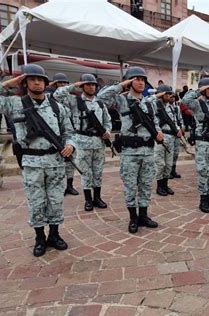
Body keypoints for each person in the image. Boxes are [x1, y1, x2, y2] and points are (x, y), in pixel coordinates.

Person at [0, 64, 75, 257]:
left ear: (46, 83)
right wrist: (7, 84)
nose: (37, 82)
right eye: (32, 79)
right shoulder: (15, 104)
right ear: (25, 82)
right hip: (32, 162)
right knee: (36, 202)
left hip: (55, 161)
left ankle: (54, 235)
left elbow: (69, 132)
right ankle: (40, 238)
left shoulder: (58, 107)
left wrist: (70, 145)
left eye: (40, 79)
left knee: (55, 201)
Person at [98, 66, 162, 233]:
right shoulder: (121, 100)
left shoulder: (149, 102)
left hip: (148, 152)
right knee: (130, 186)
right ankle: (133, 218)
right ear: (129, 82)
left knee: (146, 185)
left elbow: (154, 122)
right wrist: (122, 85)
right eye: (136, 79)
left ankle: (143, 216)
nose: (140, 82)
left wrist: (159, 131)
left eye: (142, 79)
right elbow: (101, 97)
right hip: (130, 153)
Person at [54, 73, 112, 211]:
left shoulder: (100, 104)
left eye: (93, 85)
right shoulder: (74, 101)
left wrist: (108, 132)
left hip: (98, 143)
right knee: (86, 173)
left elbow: (107, 121)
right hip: (82, 142)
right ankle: (88, 200)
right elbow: (57, 95)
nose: (91, 87)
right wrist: (73, 86)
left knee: (98, 172)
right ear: (82, 86)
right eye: (88, 84)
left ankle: (97, 197)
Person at [182, 78, 209, 212]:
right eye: (208, 88)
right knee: (203, 171)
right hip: (203, 143)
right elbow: (185, 101)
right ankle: (203, 200)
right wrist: (199, 91)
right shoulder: (197, 103)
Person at [145, 84, 180, 196]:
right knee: (160, 163)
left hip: (171, 137)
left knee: (169, 164)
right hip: (160, 137)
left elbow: (174, 121)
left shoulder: (170, 107)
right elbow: (146, 102)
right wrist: (156, 95)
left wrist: (178, 130)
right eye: (167, 94)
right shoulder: (154, 105)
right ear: (161, 94)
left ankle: (165, 185)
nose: (169, 96)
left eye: (170, 94)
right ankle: (159, 186)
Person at [49, 72, 79, 196]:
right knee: (58, 162)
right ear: (55, 84)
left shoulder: (71, 98)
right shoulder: (51, 96)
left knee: (70, 162)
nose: (62, 85)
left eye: (65, 83)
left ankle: (70, 186)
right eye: (60, 83)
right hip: (56, 134)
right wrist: (72, 85)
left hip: (70, 133)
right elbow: (59, 93)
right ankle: (58, 186)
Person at [169, 94, 184, 179]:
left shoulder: (176, 108)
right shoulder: (165, 107)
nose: (172, 98)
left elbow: (180, 118)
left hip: (177, 133)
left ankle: (173, 170)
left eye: (173, 97)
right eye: (170, 97)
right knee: (170, 153)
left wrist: (182, 127)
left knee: (176, 153)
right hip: (170, 133)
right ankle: (168, 171)